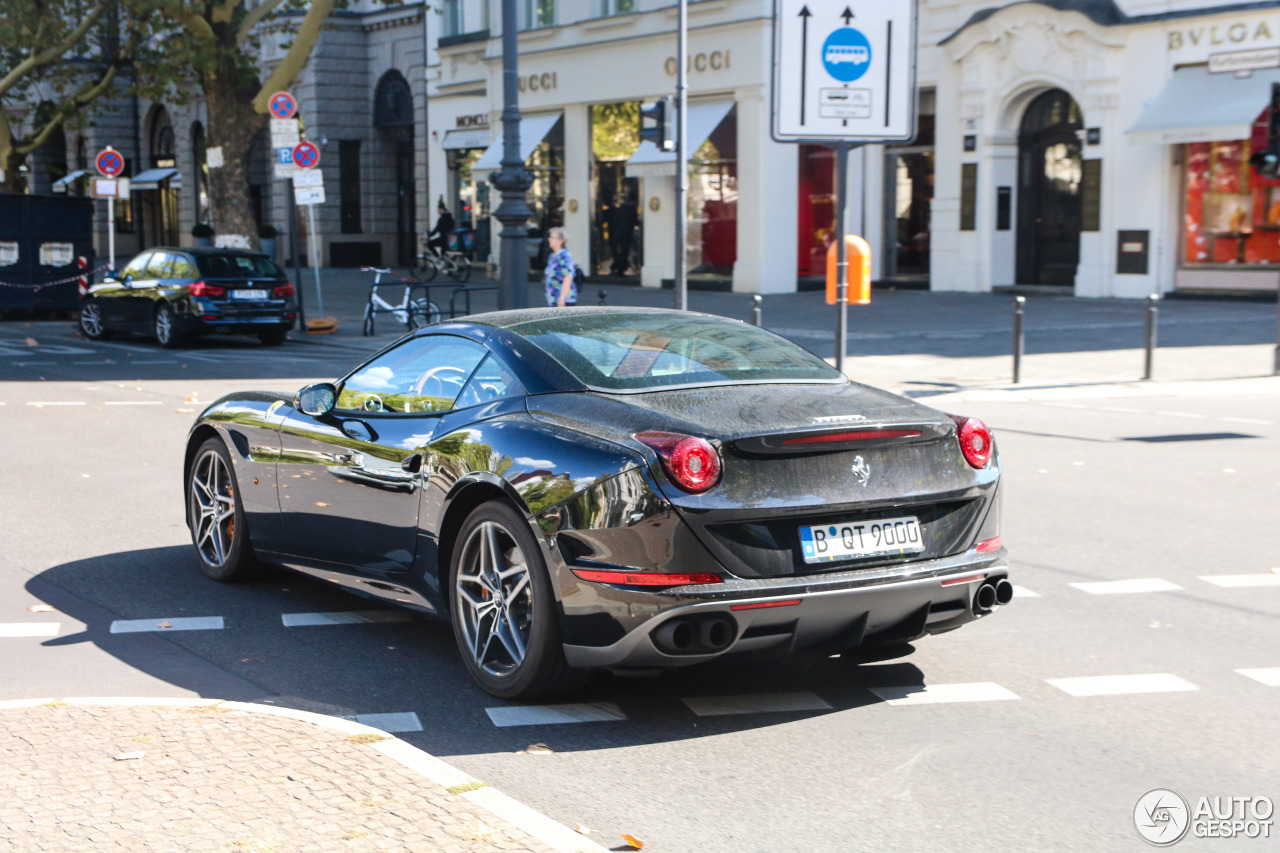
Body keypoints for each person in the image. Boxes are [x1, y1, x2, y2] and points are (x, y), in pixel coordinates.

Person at [544, 227, 577, 307]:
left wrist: (562, 298)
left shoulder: (565, 256)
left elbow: (568, 277)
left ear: (560, 241)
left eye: (552, 237)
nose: (549, 239)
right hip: (552, 298)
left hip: (564, 300)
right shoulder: (552, 256)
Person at [608, 194, 638, 276]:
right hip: (627, 234)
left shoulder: (618, 210)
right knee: (624, 252)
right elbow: (635, 222)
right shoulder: (632, 209)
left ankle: (616, 267)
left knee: (621, 252)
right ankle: (619, 269)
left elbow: (613, 221)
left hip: (617, 234)